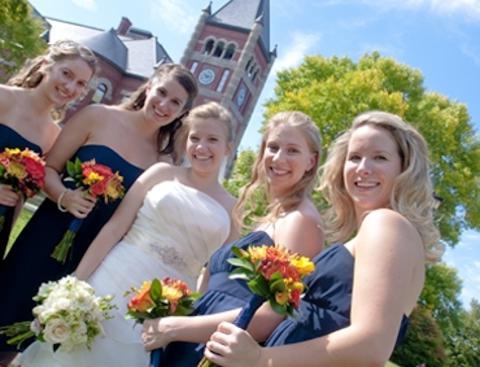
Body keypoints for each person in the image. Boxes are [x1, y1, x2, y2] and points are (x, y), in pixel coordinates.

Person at [202, 111, 444, 367]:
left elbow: (372, 345)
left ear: (404, 169)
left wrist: (260, 358)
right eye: (354, 157)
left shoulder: (386, 223)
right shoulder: (377, 231)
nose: (363, 169)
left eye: (379, 157)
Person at [0, 63, 198, 363]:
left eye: (176, 103)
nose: (164, 105)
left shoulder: (165, 158)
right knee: (6, 309)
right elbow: (49, 168)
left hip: (93, 256)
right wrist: (65, 196)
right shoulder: (98, 116)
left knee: (40, 338)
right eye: (162, 92)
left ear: (183, 112)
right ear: (150, 84)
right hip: (47, 234)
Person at [19, 101, 238, 367]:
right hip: (115, 276)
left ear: (228, 147)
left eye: (212, 139)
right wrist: (76, 281)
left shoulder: (233, 208)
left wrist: (188, 320)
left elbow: (213, 273)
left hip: (168, 304)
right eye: (195, 138)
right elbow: (114, 228)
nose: (201, 147)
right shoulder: (162, 173)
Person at [141, 110, 325, 366]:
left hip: (216, 351)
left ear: (311, 161)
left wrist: (175, 327)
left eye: (292, 150)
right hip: (198, 340)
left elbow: (270, 316)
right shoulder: (276, 215)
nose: (278, 158)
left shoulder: (300, 221)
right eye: (272, 147)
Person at [0, 39, 97, 262]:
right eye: (66, 74)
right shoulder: (3, 97)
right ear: (46, 64)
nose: (71, 88)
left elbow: (20, 197)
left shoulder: (54, 135)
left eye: (81, 83)